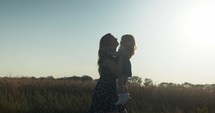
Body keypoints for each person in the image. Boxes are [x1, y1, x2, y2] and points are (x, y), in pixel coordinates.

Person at [88, 33, 127, 113]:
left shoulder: (111, 56)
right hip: (105, 91)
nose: (116, 39)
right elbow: (117, 71)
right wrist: (122, 57)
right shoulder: (106, 57)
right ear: (109, 42)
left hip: (110, 89)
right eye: (114, 38)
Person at [115, 34, 136, 105]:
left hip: (123, 65)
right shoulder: (129, 49)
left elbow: (118, 54)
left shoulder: (123, 47)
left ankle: (122, 96)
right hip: (127, 65)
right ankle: (126, 95)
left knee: (120, 82)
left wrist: (111, 54)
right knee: (123, 82)